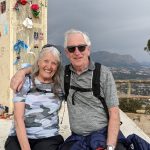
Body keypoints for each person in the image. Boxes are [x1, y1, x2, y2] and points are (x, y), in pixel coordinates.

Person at [10, 29, 126, 150]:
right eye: (72, 49)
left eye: (81, 47)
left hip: (102, 134)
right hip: (78, 138)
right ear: (67, 53)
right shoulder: (64, 74)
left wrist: (111, 147)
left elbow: (114, 113)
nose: (77, 52)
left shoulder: (103, 74)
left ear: (88, 49)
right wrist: (22, 72)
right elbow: (44, 68)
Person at [5, 45, 64, 150]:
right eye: (46, 61)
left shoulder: (60, 85)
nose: (49, 66)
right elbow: (19, 119)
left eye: (54, 63)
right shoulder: (25, 82)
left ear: (57, 66)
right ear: (38, 62)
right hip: (18, 136)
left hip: (48, 137)